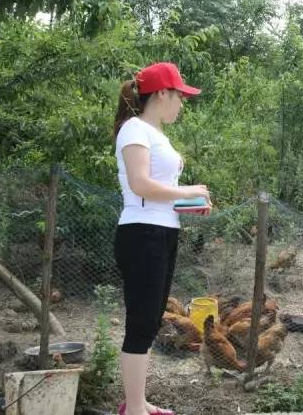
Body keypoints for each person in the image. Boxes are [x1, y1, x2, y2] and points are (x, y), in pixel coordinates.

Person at [113, 62, 211, 415]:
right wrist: (187, 190)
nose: (182, 104)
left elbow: (159, 191)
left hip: (163, 231)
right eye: (180, 96)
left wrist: (189, 203)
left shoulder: (156, 134)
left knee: (151, 320)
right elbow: (139, 185)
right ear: (162, 93)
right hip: (142, 234)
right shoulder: (134, 129)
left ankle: (138, 402)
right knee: (141, 322)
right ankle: (134, 410)